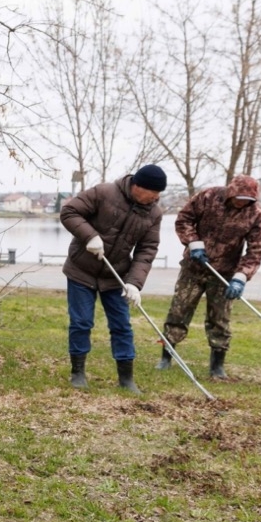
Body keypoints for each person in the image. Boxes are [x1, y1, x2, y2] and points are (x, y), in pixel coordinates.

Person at [59, 164, 168, 393]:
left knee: (122, 327)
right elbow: (69, 212)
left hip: (115, 275)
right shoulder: (104, 193)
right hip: (81, 269)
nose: (157, 198)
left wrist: (134, 283)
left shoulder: (153, 213)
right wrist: (89, 236)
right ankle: (78, 373)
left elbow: (147, 250)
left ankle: (126, 378)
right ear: (139, 186)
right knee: (81, 323)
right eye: (154, 193)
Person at [158, 174, 261, 380]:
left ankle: (217, 366)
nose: (241, 203)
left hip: (224, 275)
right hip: (194, 267)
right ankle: (166, 357)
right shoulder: (209, 196)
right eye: (238, 198)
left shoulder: (256, 215)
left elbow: (255, 251)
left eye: (247, 200)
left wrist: (241, 277)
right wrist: (193, 243)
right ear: (231, 192)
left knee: (220, 320)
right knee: (179, 312)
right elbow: (184, 219)